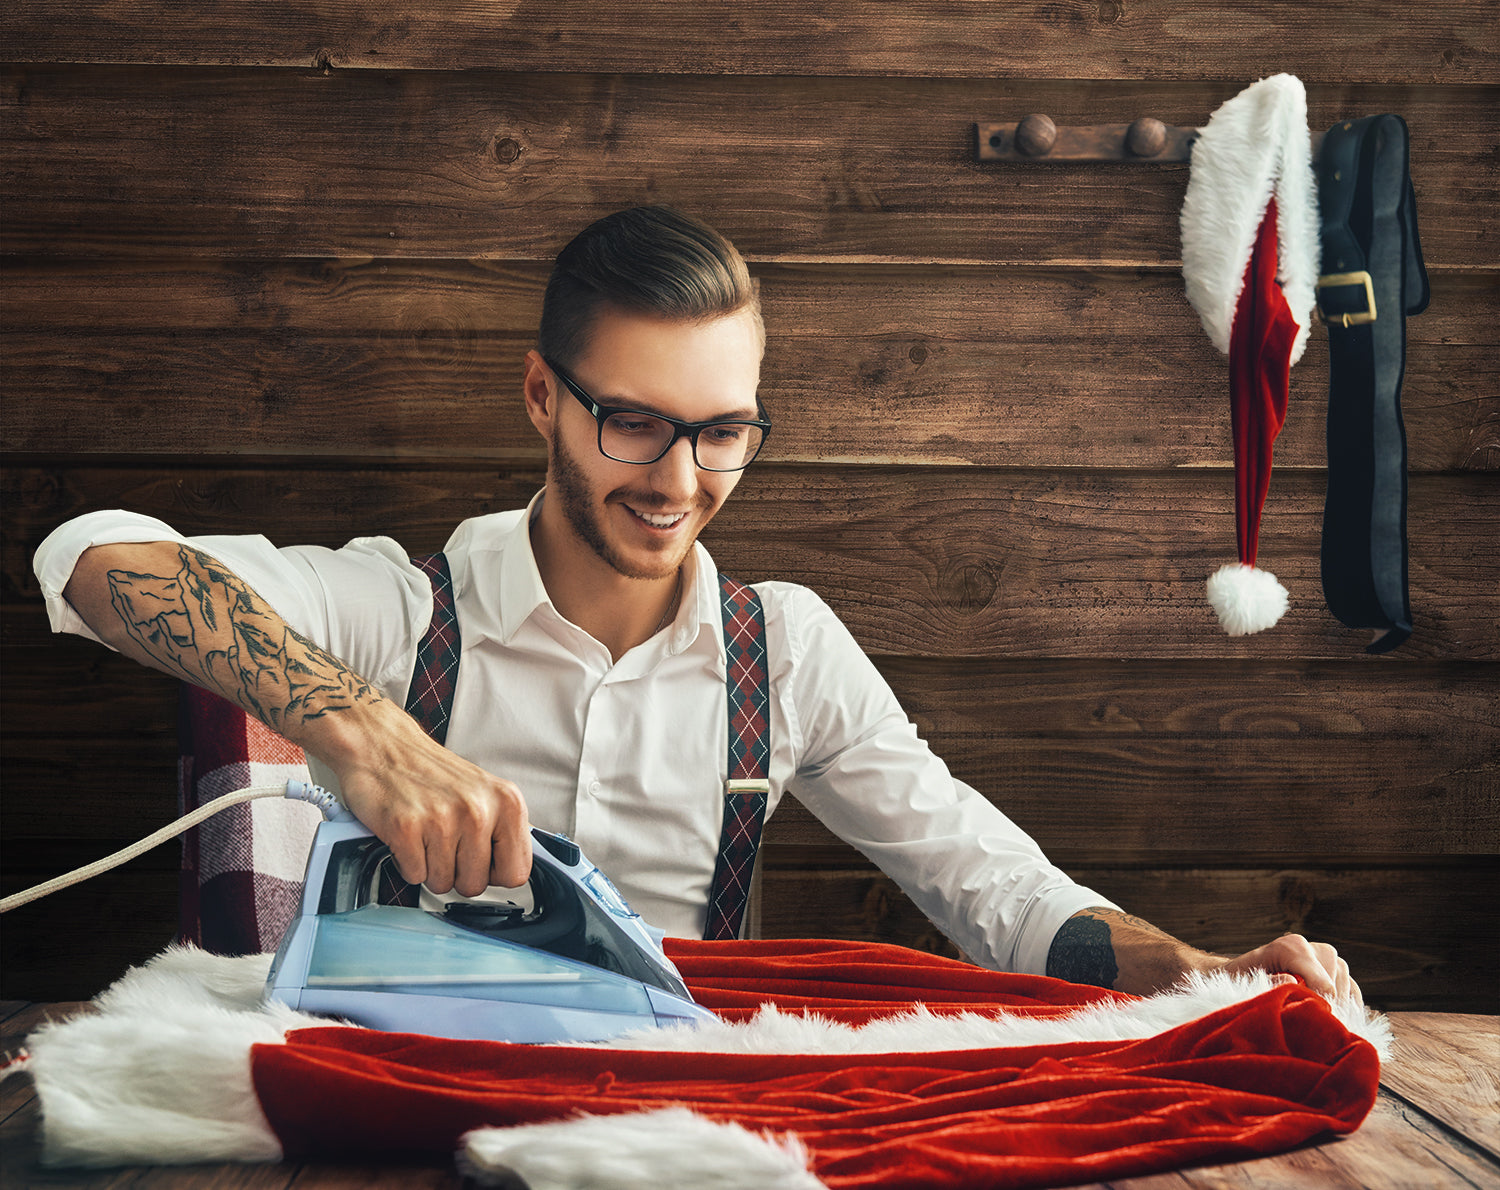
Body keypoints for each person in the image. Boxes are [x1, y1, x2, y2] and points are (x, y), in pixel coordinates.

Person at [33, 205, 1358, 1004]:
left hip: (672, 1132)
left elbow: (1001, 893)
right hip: (402, 1120)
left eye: (723, 431)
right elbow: (94, 553)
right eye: (634, 423)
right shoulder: (404, 609)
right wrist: (361, 728)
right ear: (545, 396)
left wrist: (1203, 969)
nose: (679, 483)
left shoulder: (784, 651)